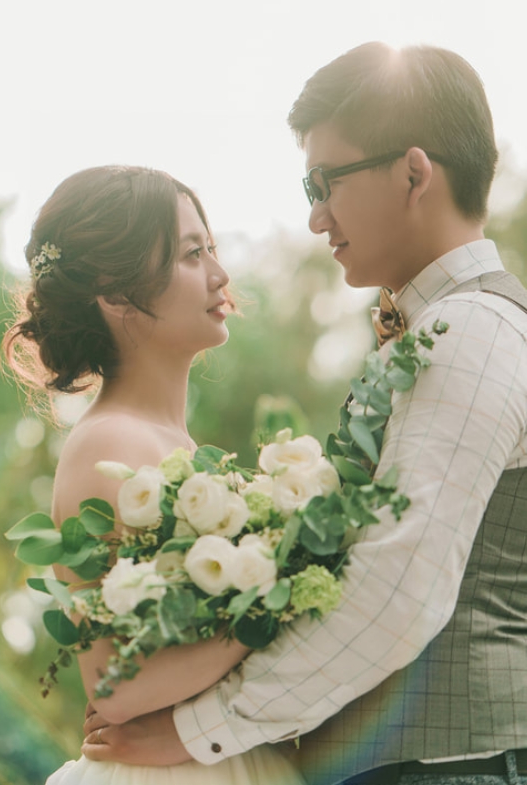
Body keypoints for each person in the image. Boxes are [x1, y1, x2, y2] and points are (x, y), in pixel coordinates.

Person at [82, 43, 527, 785]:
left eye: (325, 182)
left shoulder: (473, 332)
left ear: (414, 173)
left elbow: (398, 586)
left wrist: (201, 730)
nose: (317, 216)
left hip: (453, 765)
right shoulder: (441, 329)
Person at [4, 165, 303, 785]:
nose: (221, 275)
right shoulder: (108, 444)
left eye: (211, 249)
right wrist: (277, 602)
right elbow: (114, 686)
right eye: (194, 254)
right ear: (115, 294)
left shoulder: (178, 447)